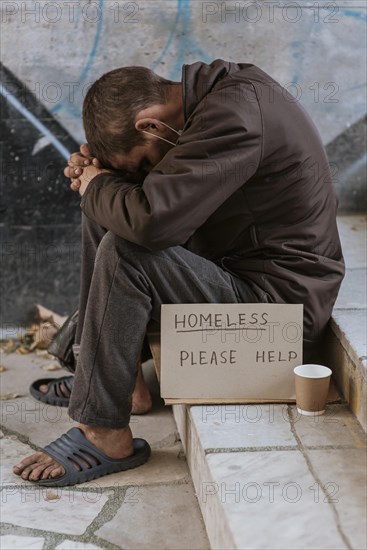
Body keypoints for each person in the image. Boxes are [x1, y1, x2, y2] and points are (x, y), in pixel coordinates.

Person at [14, 59, 345, 486]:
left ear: (150, 126)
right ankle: (117, 384)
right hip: (239, 270)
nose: (144, 169)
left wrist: (98, 184)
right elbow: (146, 207)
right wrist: (105, 179)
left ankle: (104, 432)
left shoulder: (236, 117)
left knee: (126, 243)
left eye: (141, 161)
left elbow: (154, 223)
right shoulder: (215, 101)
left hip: (280, 310)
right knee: (109, 209)